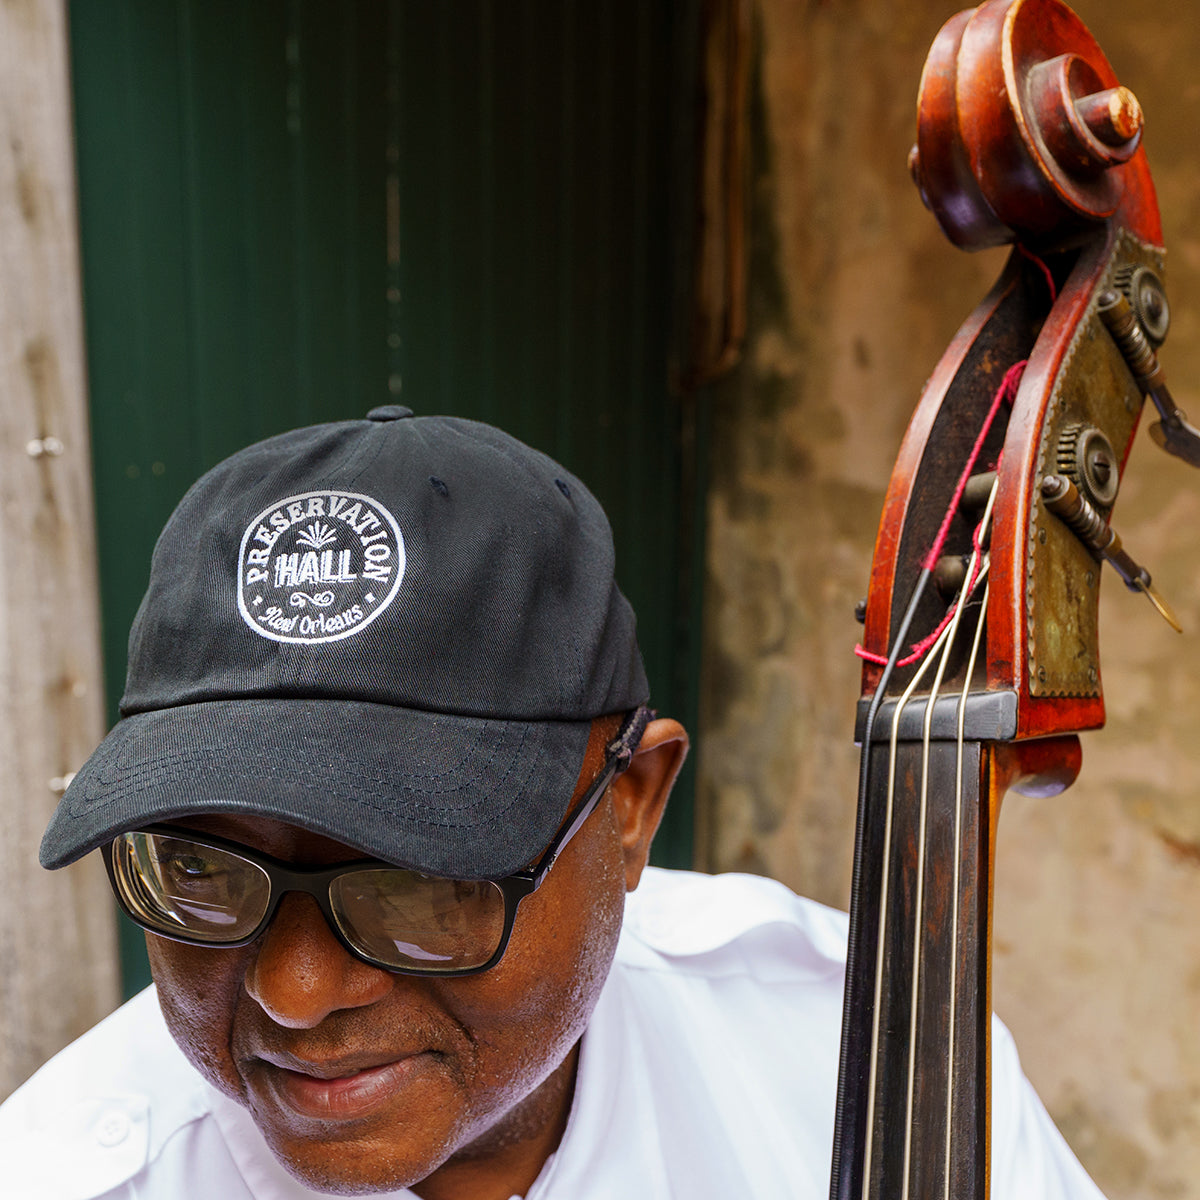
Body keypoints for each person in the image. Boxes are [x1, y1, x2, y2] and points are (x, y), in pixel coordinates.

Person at [1, 407, 1103, 1199]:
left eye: (421, 878)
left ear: (631, 807)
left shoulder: (844, 1048)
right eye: (198, 872)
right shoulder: (75, 1173)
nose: (294, 995)